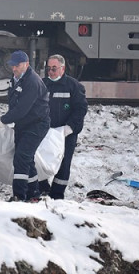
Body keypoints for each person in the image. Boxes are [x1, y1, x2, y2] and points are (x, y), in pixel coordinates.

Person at [0, 50, 50, 201]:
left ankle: (19, 195)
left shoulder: (32, 82)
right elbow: (14, 103)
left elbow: (22, 108)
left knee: (21, 157)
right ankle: (33, 192)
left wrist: (3, 119)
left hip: (36, 124)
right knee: (27, 158)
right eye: (12, 65)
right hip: (24, 123)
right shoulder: (16, 78)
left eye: (17, 65)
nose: (14, 68)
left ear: (26, 64)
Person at [40, 54, 88, 200]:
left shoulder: (74, 86)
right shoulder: (42, 84)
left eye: (54, 68)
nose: (51, 72)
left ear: (62, 68)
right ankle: (42, 187)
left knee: (63, 163)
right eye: (48, 68)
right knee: (41, 160)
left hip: (65, 133)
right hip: (45, 132)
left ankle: (57, 194)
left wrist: (71, 127)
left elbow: (80, 109)